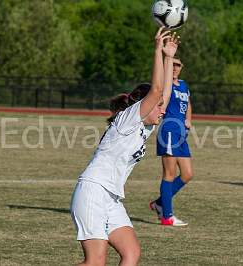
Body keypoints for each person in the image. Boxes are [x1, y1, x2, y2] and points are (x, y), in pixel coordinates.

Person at [70, 27, 179, 266]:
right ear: (142, 104)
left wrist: (169, 57)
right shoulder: (129, 118)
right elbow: (158, 90)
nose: (163, 110)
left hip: (111, 198)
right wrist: (157, 51)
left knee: (131, 253)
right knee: (95, 262)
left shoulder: (146, 126)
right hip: (93, 191)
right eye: (157, 105)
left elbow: (165, 95)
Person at [149, 57, 192, 226]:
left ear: (182, 67)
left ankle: (159, 203)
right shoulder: (165, 86)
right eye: (172, 64)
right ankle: (167, 216)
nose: (175, 67)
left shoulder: (183, 85)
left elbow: (188, 104)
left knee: (188, 174)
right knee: (169, 174)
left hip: (181, 134)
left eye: (178, 65)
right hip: (168, 132)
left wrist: (189, 120)